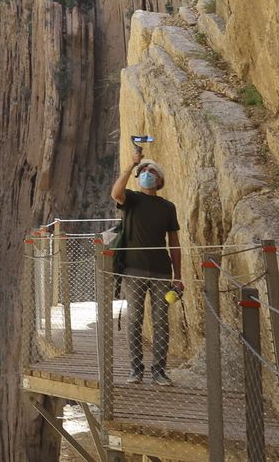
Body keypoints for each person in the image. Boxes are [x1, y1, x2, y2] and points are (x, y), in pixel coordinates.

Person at [111, 148, 181, 386]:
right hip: (134, 270)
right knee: (134, 320)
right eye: (143, 171)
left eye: (151, 170)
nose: (146, 173)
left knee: (161, 321)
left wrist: (178, 275)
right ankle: (136, 369)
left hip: (161, 270)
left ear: (159, 180)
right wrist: (131, 166)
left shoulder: (167, 207)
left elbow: (175, 243)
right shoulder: (131, 199)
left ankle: (159, 371)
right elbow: (115, 193)